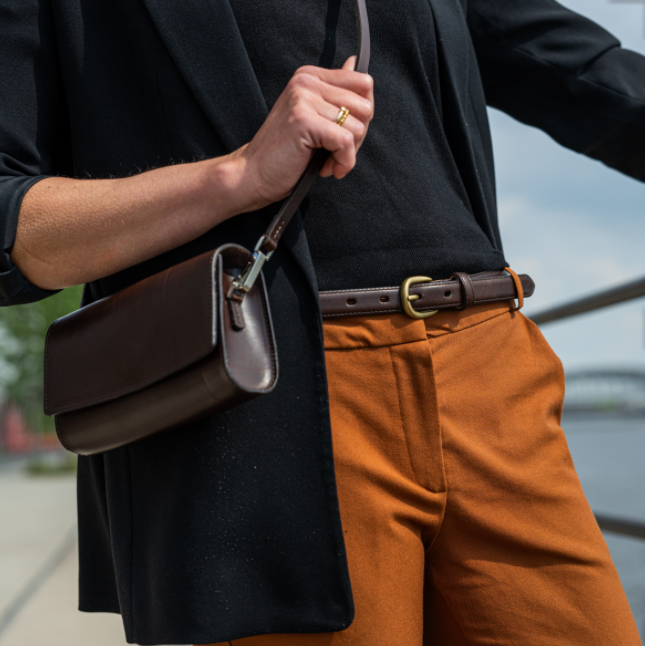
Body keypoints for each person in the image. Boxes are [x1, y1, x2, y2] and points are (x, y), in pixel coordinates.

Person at [0, 0, 643, 643]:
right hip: (268, 403)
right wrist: (235, 175)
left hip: (491, 368)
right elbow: (14, 224)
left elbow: (587, 72)